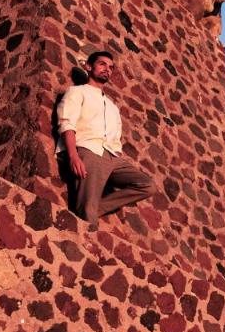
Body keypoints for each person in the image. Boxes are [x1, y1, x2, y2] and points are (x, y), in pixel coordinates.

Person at [55, 51, 153, 229]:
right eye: (102, 64)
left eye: (111, 67)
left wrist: (116, 157)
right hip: (88, 150)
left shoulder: (113, 107)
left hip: (112, 157)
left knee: (148, 185)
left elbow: (115, 138)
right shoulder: (77, 92)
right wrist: (73, 156)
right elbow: (67, 123)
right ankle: (87, 214)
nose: (107, 69)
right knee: (88, 216)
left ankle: (90, 209)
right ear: (88, 67)